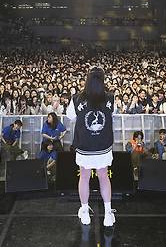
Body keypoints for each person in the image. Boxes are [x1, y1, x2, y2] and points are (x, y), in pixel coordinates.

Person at [67, 67, 116, 227]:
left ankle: (85, 212)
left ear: (87, 80)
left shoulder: (76, 99)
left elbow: (70, 117)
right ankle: (108, 214)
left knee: (84, 177)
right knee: (103, 176)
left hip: (84, 146)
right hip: (103, 145)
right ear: (102, 81)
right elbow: (112, 114)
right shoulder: (110, 98)